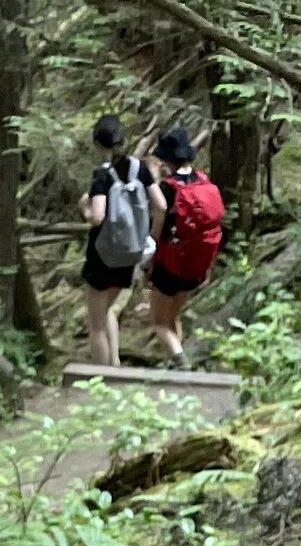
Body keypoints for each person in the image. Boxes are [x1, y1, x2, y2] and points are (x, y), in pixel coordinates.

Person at [78, 114, 154, 370]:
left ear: (99, 145)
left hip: (102, 254)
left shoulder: (103, 175)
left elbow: (98, 217)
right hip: (130, 252)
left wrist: (85, 209)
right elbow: (161, 206)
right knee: (107, 309)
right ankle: (116, 363)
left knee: (95, 323)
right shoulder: (140, 169)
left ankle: (103, 377)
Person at [144, 127, 224, 366]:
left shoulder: (168, 189)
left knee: (159, 322)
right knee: (172, 317)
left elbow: (159, 222)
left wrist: (150, 257)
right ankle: (175, 363)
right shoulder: (203, 180)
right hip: (195, 266)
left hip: (169, 262)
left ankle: (182, 364)